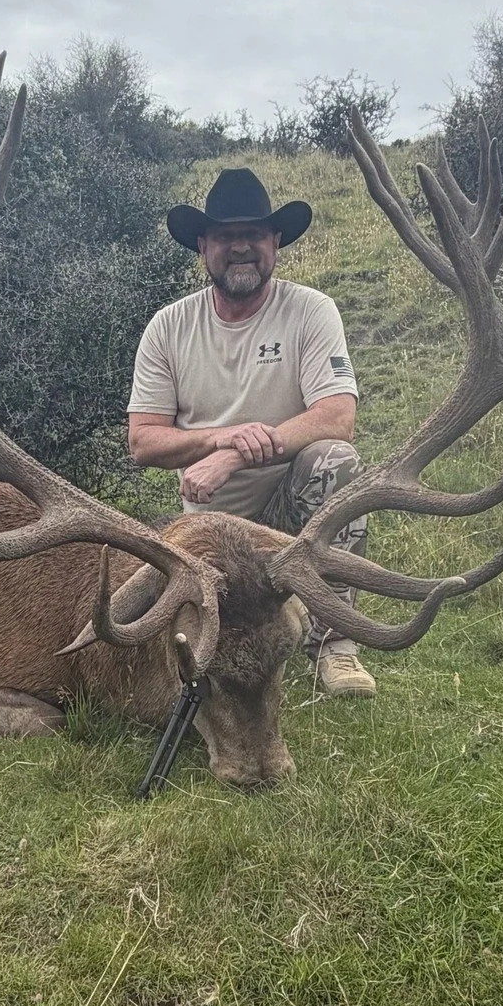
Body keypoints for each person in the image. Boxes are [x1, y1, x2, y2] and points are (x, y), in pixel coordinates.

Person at [127, 166, 376, 698]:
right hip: (207, 533)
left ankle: (334, 645)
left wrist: (237, 456)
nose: (241, 247)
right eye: (226, 236)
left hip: (288, 522)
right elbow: (143, 440)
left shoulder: (310, 311)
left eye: (254, 235)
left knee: (335, 461)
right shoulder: (168, 327)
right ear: (203, 246)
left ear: (275, 241)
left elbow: (338, 416)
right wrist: (223, 438)